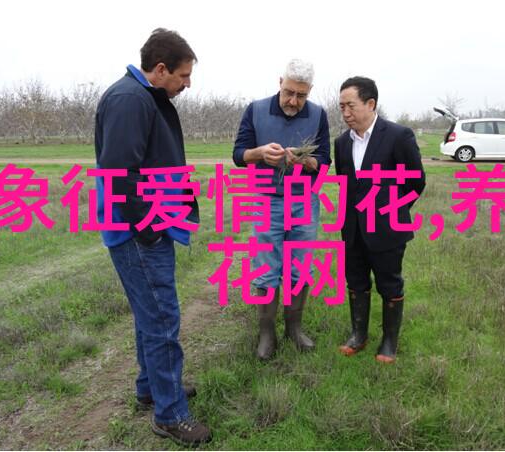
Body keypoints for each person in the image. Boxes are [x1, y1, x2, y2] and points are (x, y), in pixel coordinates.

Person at [94, 28, 211, 445]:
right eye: (183, 75)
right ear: (160, 69)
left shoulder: (143, 96)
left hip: (144, 223)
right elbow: (118, 172)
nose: (187, 83)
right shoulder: (130, 99)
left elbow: (145, 163)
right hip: (138, 231)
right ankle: (170, 414)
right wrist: (148, 227)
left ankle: (152, 388)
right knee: (162, 318)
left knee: (150, 315)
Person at [233, 59, 331, 360]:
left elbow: (324, 162)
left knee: (300, 265)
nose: (293, 101)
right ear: (280, 82)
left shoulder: (318, 115)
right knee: (266, 265)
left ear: (309, 90)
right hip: (267, 198)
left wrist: (307, 161)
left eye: (301, 95)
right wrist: (259, 153)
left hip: (303, 201)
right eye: (289, 92)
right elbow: (239, 154)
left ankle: (294, 328)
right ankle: (267, 333)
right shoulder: (256, 110)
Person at [334, 76, 425, 363]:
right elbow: (345, 184)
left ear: (371, 103)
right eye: (341, 107)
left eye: (351, 106)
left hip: (387, 228)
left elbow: (415, 182)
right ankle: (358, 335)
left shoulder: (398, 136)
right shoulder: (341, 143)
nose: (345, 113)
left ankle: (389, 341)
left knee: (389, 284)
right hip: (353, 229)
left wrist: (391, 211)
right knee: (356, 281)